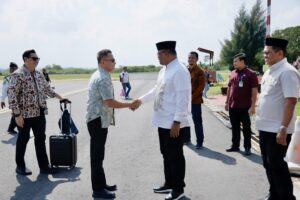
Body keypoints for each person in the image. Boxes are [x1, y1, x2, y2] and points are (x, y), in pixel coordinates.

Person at [134, 41, 191, 200]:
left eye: (159, 54)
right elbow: (156, 90)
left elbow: (183, 97)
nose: (157, 57)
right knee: (166, 154)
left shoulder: (179, 70)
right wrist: (140, 101)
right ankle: (169, 183)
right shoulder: (164, 70)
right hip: (162, 120)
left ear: (167, 53)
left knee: (175, 155)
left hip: (173, 122)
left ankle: (178, 189)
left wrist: (178, 121)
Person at [86, 49, 139, 199]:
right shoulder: (103, 78)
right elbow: (109, 102)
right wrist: (129, 105)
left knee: (99, 155)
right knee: (97, 156)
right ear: (103, 62)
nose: (115, 62)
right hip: (97, 120)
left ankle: (101, 184)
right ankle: (98, 189)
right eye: (112, 60)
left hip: (97, 119)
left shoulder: (100, 74)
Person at [8, 49, 69, 176]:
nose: (37, 61)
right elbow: (12, 96)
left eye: (38, 59)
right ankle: (20, 166)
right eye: (34, 58)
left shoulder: (39, 74)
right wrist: (17, 115)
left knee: (40, 139)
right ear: (26, 59)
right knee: (23, 139)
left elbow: (48, 89)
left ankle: (44, 167)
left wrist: (61, 97)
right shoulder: (17, 74)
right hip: (24, 115)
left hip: (39, 112)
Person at [256, 38, 299, 200]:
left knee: (277, 165)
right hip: (265, 127)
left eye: (268, 53)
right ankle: (274, 194)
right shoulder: (269, 71)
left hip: (277, 128)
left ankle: (287, 197)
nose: (265, 55)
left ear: (280, 53)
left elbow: (291, 101)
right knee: (268, 164)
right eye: (264, 53)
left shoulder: (287, 71)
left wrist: (283, 127)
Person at [225, 53, 258, 156]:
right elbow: (229, 88)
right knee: (234, 127)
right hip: (233, 106)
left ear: (242, 61)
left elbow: (254, 90)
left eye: (236, 61)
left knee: (246, 128)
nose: (234, 63)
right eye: (233, 61)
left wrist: (253, 106)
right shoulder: (233, 73)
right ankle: (235, 145)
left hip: (245, 106)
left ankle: (247, 147)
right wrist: (227, 102)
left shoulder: (251, 74)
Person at [183, 51, 206, 148]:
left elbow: (200, 88)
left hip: (195, 101)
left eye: (192, 58)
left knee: (197, 122)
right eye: (189, 58)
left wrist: (190, 98)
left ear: (197, 59)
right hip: (185, 101)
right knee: (185, 121)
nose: (190, 59)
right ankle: (186, 139)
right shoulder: (185, 70)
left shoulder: (200, 72)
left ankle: (199, 142)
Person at [1, 62, 18, 134]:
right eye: (13, 69)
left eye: (15, 68)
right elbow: (4, 90)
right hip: (12, 100)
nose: (14, 70)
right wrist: (2, 100)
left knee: (16, 114)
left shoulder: (19, 76)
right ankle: (16, 128)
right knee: (17, 113)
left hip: (20, 99)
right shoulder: (7, 78)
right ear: (10, 69)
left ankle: (11, 128)